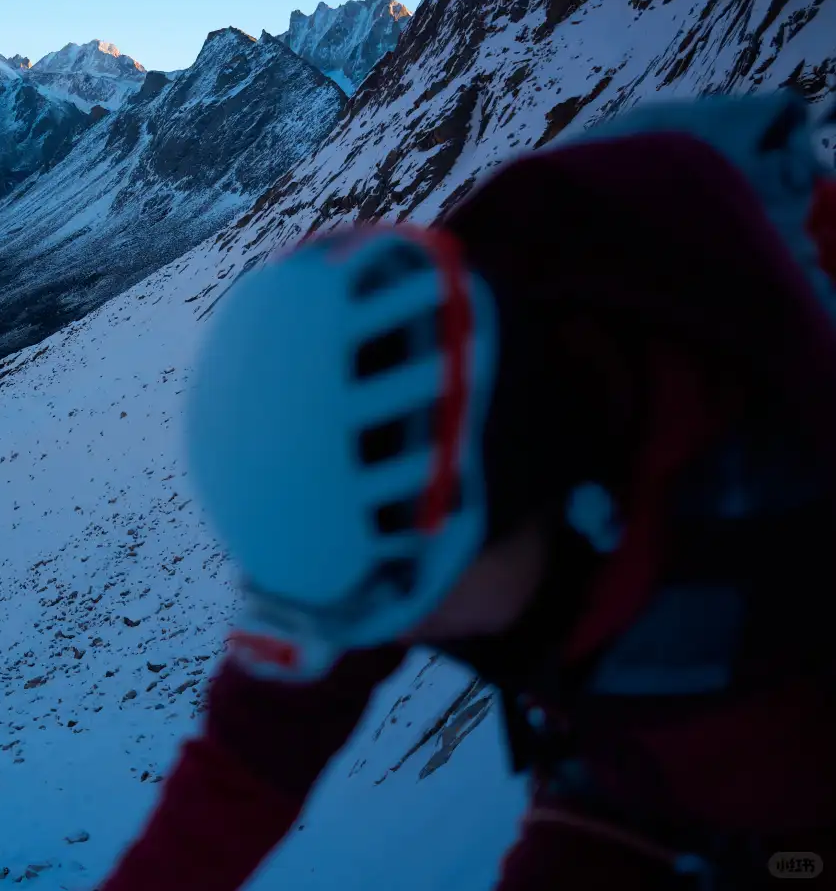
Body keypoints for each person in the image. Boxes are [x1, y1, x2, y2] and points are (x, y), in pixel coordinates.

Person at [100, 91, 836, 891]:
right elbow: (255, 753)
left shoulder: (788, 481)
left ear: (523, 493)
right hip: (630, 771)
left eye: (408, 599)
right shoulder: (403, 447)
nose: (378, 637)